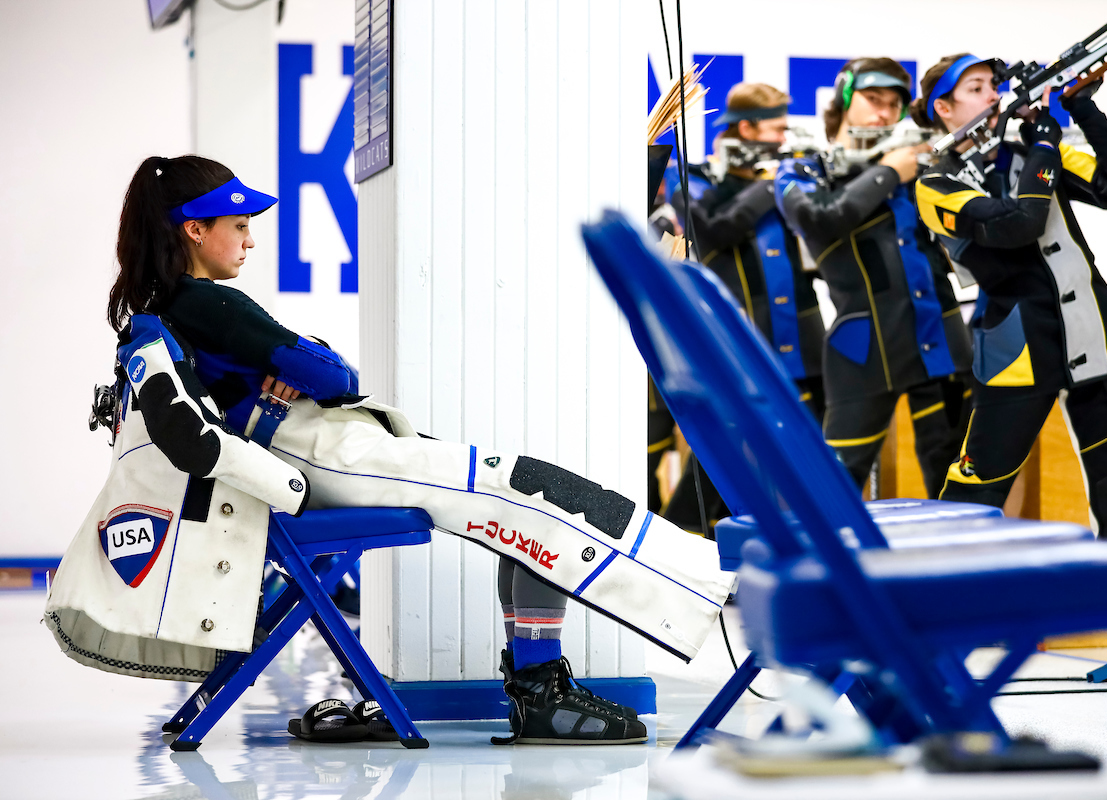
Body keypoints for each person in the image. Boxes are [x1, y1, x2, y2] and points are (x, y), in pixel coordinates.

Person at [46, 155, 735, 743]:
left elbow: (313, 378)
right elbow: (335, 379)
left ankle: (544, 682)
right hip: (331, 456)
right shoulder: (208, 305)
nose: (250, 241)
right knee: (533, 492)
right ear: (194, 230)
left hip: (327, 451)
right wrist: (310, 365)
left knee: (526, 500)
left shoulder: (168, 308)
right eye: (239, 226)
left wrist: (296, 372)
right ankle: (695, 594)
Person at [912, 54, 1107, 672]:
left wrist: (1081, 107)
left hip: (1095, 336)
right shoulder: (937, 179)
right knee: (973, 493)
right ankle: (932, 626)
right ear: (944, 110)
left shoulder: (1029, 152)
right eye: (976, 89)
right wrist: (1043, 148)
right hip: (1015, 352)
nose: (993, 95)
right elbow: (1016, 225)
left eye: (994, 85)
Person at [774, 58, 973, 497]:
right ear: (845, 99)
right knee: (832, 494)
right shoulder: (806, 168)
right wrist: (889, 172)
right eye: (872, 99)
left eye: (893, 105)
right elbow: (817, 218)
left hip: (942, 340)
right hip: (861, 353)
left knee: (959, 492)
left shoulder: (920, 163)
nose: (883, 113)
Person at [663, 82, 825, 532]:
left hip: (803, 341)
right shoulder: (692, 177)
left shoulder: (796, 172)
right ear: (746, 128)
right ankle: (679, 543)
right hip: (736, 342)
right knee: (724, 458)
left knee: (816, 458)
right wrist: (771, 181)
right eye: (775, 129)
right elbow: (713, 228)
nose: (783, 139)